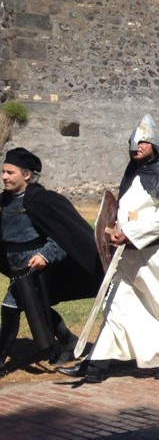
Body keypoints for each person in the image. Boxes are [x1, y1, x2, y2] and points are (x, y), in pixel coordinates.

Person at [59, 115, 159, 383]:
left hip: (158, 255)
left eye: (143, 142)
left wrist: (131, 233)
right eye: (134, 142)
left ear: (155, 144)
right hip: (128, 255)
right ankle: (95, 366)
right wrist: (117, 228)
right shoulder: (132, 171)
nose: (137, 146)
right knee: (117, 305)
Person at [0, 148, 104, 376]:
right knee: (35, 306)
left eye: (10, 172)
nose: (4, 177)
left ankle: (1, 363)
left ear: (26, 175)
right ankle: (68, 341)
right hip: (14, 265)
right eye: (3, 172)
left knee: (9, 309)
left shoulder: (42, 200)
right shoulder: (4, 201)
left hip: (35, 268)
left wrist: (45, 255)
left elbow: (63, 236)